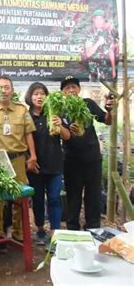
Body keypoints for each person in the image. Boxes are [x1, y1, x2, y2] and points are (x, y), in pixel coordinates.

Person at [0, 76, 37, 245]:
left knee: (20, 197)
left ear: (12, 90)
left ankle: (19, 234)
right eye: (0, 88)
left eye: (6, 87)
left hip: (18, 158)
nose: (3, 91)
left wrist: (33, 156)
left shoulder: (22, 110)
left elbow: (28, 133)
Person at [60, 75, 113, 230]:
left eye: (74, 87)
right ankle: (73, 227)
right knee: (73, 196)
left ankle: (93, 226)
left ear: (79, 89)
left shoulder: (88, 104)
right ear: (63, 92)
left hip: (92, 159)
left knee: (93, 194)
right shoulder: (60, 109)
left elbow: (107, 120)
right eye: (67, 88)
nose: (71, 90)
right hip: (71, 160)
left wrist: (110, 110)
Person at [24, 82, 70, 246]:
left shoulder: (54, 113)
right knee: (37, 199)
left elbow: (67, 137)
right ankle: (40, 229)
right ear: (30, 96)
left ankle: (55, 232)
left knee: (54, 198)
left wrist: (59, 125)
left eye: (42, 94)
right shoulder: (25, 115)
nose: (39, 97)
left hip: (55, 164)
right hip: (35, 166)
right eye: (36, 94)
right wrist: (29, 159)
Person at [83, 9, 117, 82]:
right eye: (97, 19)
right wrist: (98, 43)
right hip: (94, 70)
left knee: (108, 91)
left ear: (104, 20)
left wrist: (113, 69)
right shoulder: (90, 34)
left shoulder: (108, 34)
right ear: (93, 20)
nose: (99, 21)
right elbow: (88, 54)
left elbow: (111, 52)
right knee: (93, 91)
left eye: (101, 19)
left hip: (106, 69)